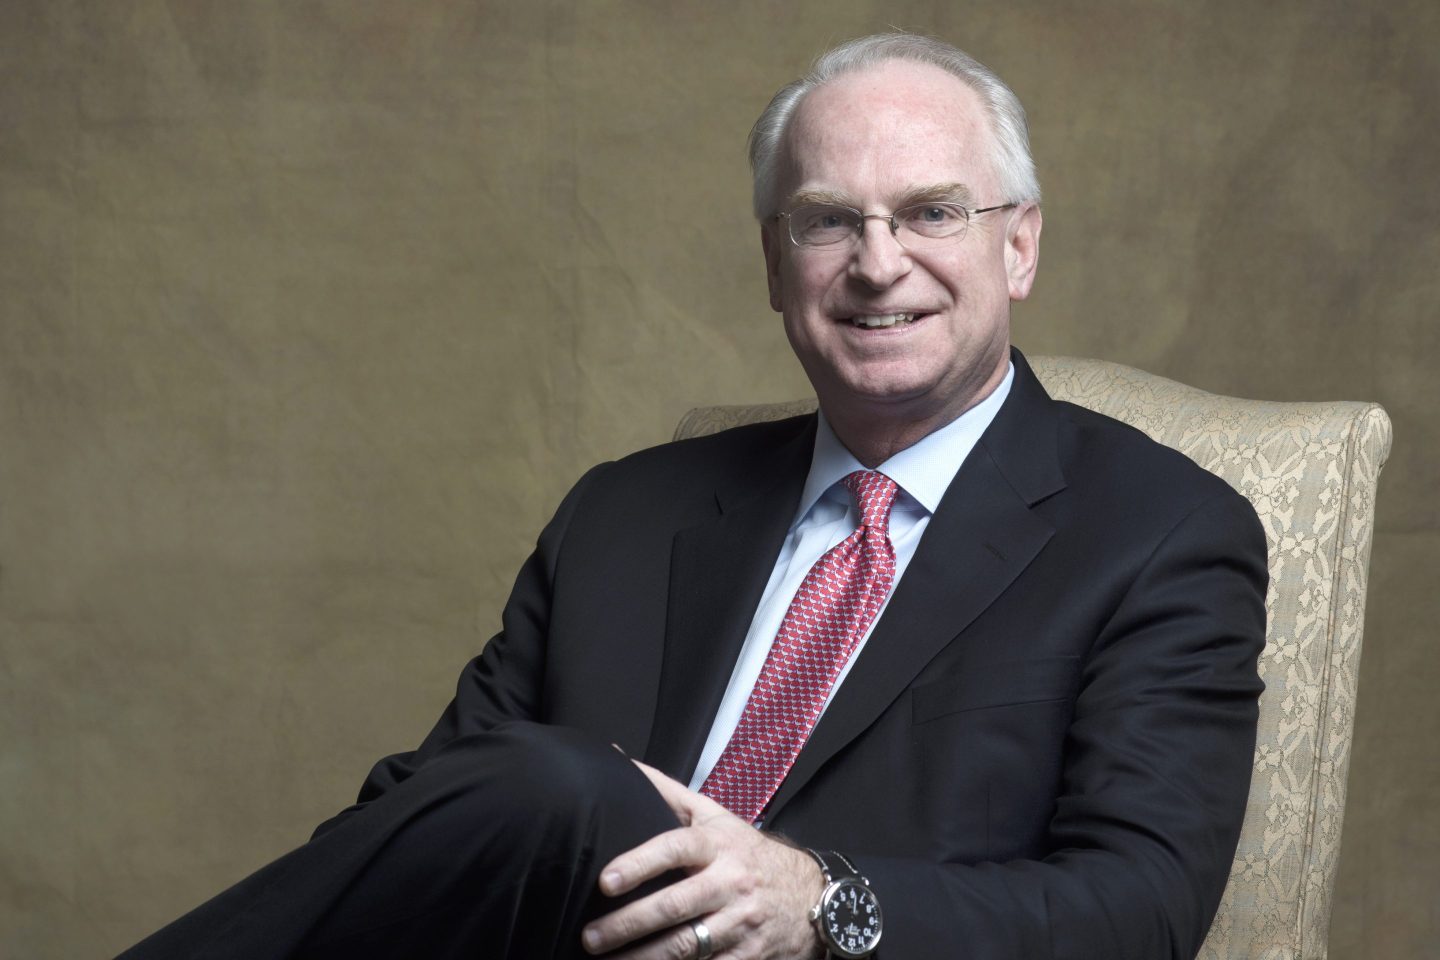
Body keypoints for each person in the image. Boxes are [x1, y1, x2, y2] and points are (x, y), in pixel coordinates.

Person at [119, 32, 1266, 960]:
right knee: (543, 790)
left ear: (1018, 248)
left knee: (573, 787)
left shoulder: (1160, 532)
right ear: (775, 264)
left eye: (932, 212)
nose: (877, 263)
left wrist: (817, 903)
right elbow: (423, 824)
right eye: (828, 220)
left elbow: (1139, 910)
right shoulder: (624, 516)